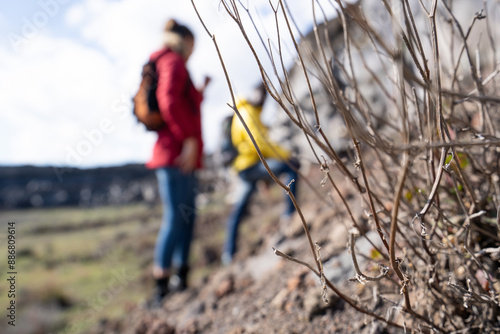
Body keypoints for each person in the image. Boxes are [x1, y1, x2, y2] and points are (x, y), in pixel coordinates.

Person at [145, 19, 210, 304]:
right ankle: (161, 286)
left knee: (186, 217)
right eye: (193, 45)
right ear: (183, 40)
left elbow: (186, 101)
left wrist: (201, 89)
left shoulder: (173, 63)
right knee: (175, 218)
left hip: (181, 156)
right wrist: (189, 140)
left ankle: (180, 277)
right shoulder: (172, 61)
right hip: (175, 155)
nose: (193, 52)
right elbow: (168, 100)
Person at [222, 83, 299, 265]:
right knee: (291, 167)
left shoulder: (248, 112)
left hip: (245, 168)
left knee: (239, 210)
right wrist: (287, 156)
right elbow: (259, 142)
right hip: (249, 167)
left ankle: (228, 254)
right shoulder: (247, 112)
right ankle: (289, 216)